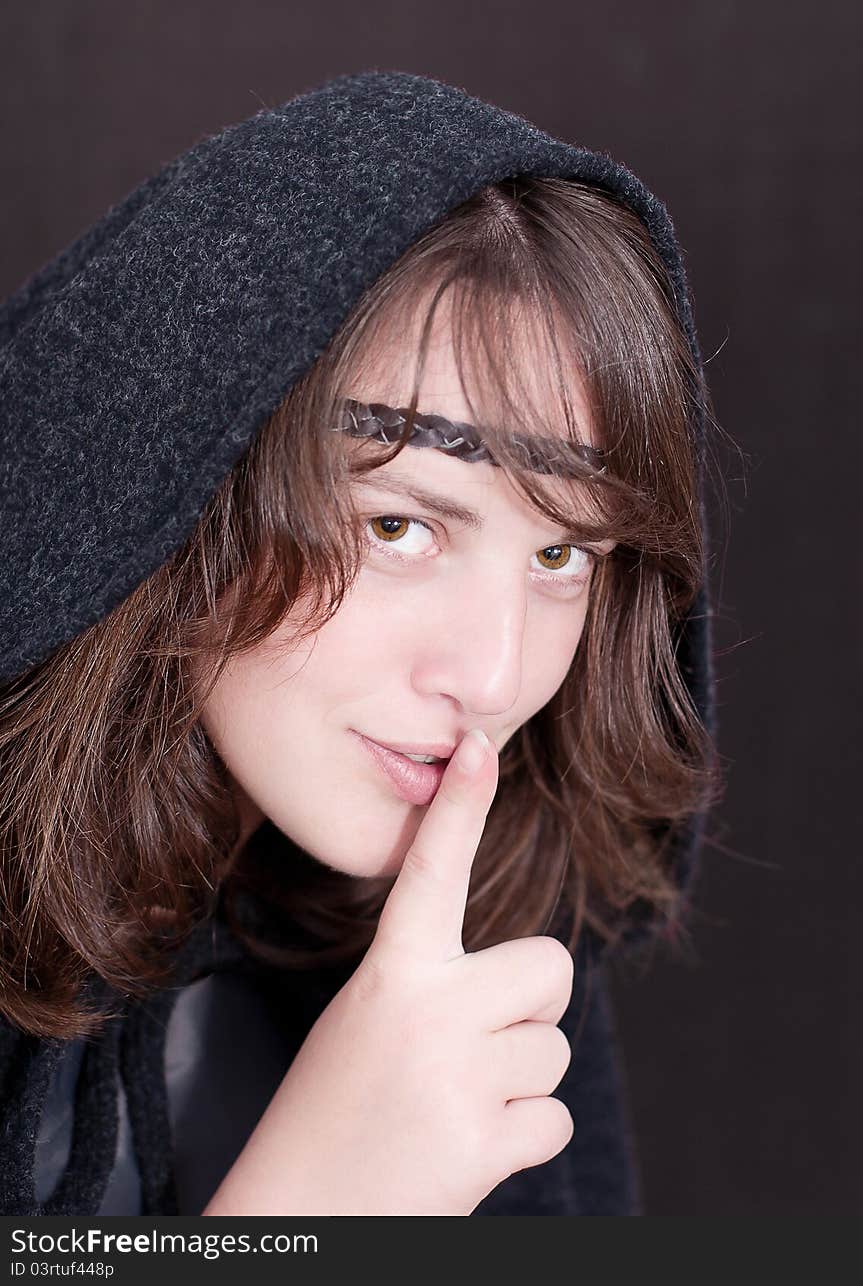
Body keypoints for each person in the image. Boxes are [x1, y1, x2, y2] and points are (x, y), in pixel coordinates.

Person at [0, 68, 723, 1216]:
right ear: (181, 468)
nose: (492, 678)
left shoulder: (483, 937)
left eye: (562, 557)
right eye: (399, 524)